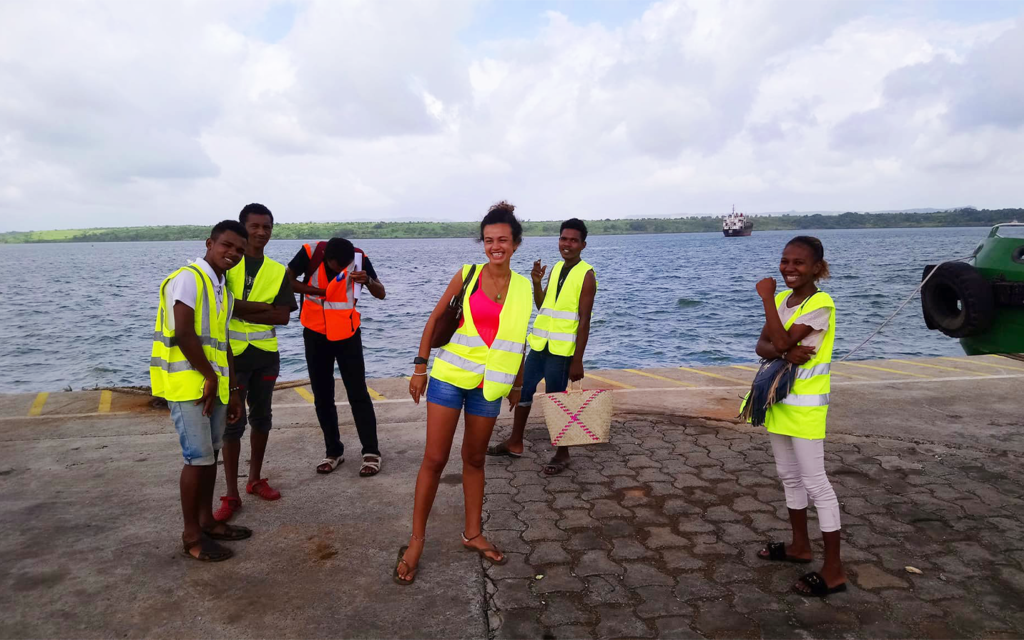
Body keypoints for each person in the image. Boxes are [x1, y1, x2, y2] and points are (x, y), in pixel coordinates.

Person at [394, 201, 532, 585]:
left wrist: (517, 383)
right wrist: (420, 368)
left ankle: (472, 534)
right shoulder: (467, 274)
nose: (495, 247)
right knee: (435, 459)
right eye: (489, 240)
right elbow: (436, 319)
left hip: (490, 386)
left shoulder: (524, 288)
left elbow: (518, 339)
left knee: (474, 459)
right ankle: (416, 541)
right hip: (450, 378)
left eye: (502, 240)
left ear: (516, 243)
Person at [150, 220, 252, 562]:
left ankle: (207, 521)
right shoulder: (189, 279)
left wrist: (232, 389)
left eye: (239, 250)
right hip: (189, 387)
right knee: (197, 458)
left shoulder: (223, 288)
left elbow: (223, 343)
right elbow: (183, 332)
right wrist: (209, 377)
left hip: (214, 386)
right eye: (226, 245)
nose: (233, 253)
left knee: (210, 455)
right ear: (210, 243)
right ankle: (191, 535)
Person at [750, 236, 846, 597]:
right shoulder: (782, 301)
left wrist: (765, 300)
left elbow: (779, 341)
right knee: (788, 477)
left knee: (816, 483)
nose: (789, 268)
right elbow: (764, 346)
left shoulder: (820, 304)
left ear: (817, 268)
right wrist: (783, 350)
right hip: (778, 403)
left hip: (805, 409)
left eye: (799, 263)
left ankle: (834, 570)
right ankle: (800, 546)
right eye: (785, 261)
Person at [486, 218, 597, 475]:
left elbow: (584, 321)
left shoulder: (586, 275)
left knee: (557, 400)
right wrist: (537, 282)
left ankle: (563, 453)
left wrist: (577, 360)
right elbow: (542, 305)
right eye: (563, 239)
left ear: (583, 245)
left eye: (573, 240)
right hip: (540, 345)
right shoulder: (557, 268)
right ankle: (515, 442)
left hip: (561, 351)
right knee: (523, 390)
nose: (567, 244)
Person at [213, 204, 298, 522]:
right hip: (231, 355)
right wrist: (262, 307)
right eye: (255, 226)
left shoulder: (277, 271)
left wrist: (239, 307)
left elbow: (283, 316)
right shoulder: (227, 264)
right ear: (243, 228)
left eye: (267, 227)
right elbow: (220, 307)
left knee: (262, 418)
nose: (261, 232)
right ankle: (231, 493)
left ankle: (254, 479)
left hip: (265, 355)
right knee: (232, 423)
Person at [286, 237, 386, 477]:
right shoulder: (310, 253)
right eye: (336, 266)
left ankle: (371, 452)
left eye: (346, 266)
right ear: (326, 258)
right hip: (315, 333)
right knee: (322, 395)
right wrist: (321, 292)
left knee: (358, 393)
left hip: (347, 334)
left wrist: (368, 280)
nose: (342, 270)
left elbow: (381, 293)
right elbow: (287, 281)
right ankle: (333, 451)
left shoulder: (359, 258)